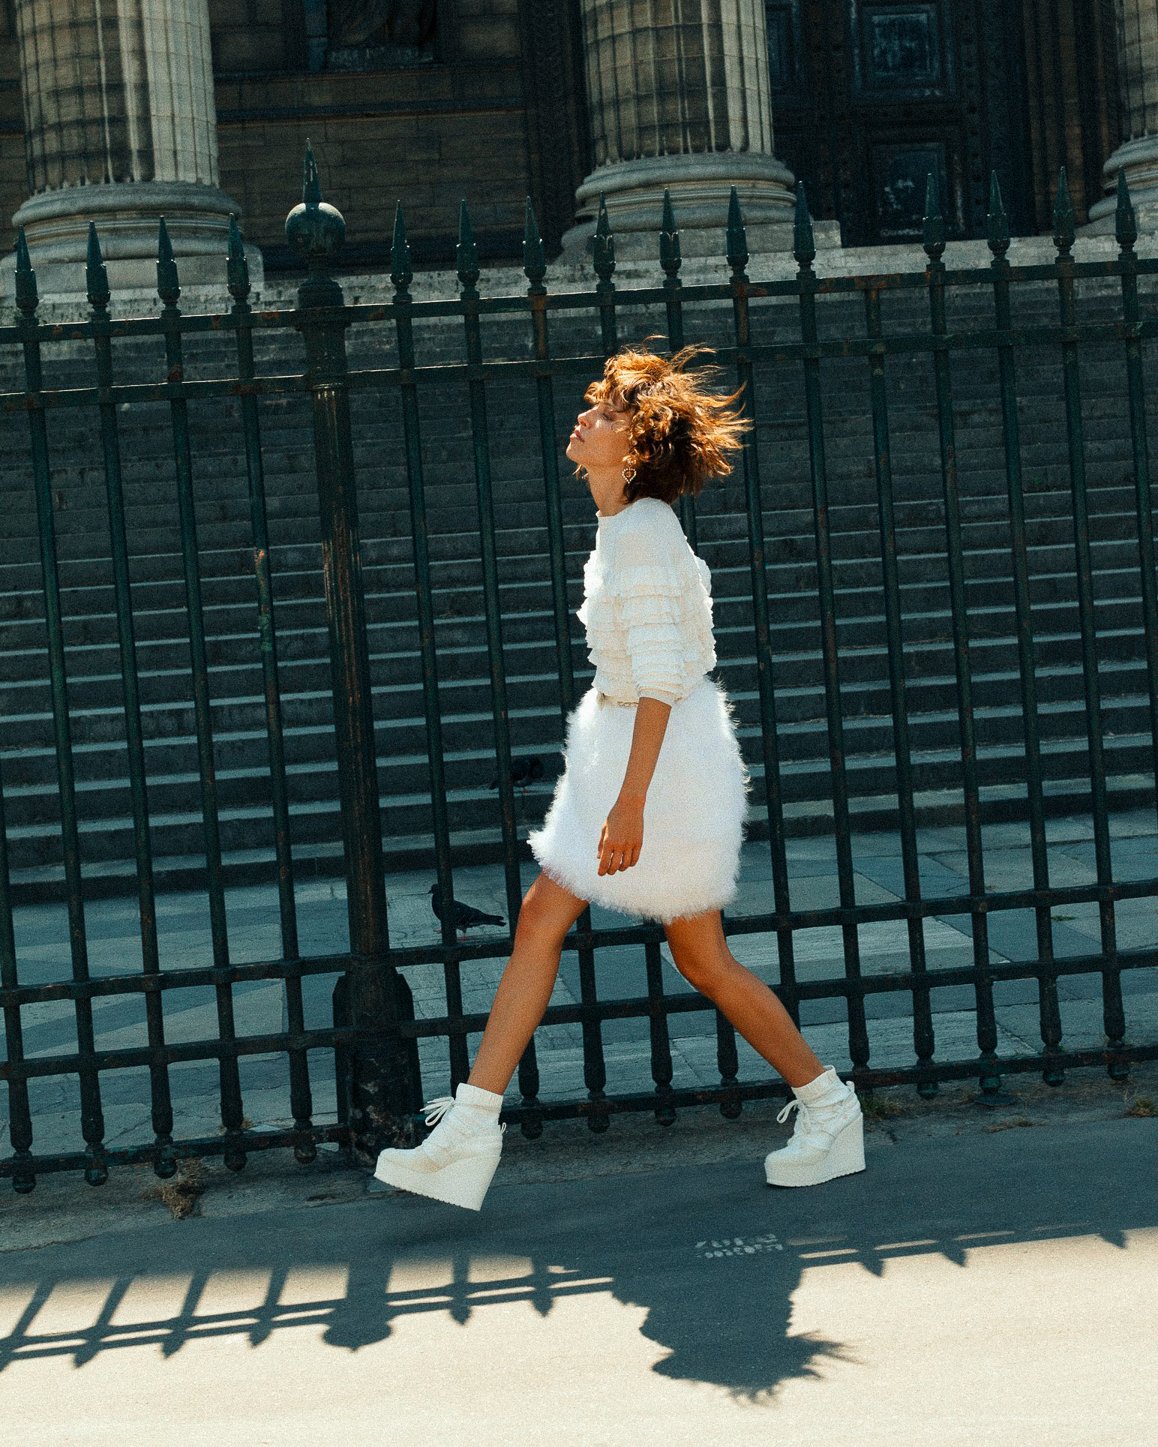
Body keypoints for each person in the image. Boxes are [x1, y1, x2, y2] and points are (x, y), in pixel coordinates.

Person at [374, 346, 864, 1211]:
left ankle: (474, 1128)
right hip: (637, 747)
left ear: (635, 448)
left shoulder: (641, 532)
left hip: (658, 762)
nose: (584, 417)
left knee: (672, 950)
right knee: (646, 943)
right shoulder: (629, 526)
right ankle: (474, 1126)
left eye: (604, 413)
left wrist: (630, 800)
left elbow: (663, 678)